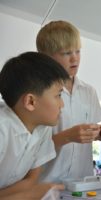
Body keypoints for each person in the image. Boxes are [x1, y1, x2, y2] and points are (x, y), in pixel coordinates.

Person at [36, 20, 101, 183]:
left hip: (82, 182)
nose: (75, 59)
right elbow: (31, 149)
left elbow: (90, 131)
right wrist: (67, 137)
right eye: (66, 53)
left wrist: (100, 133)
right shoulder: (37, 93)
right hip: (47, 185)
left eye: (78, 51)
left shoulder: (89, 92)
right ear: (46, 58)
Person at [0, 52, 69, 197]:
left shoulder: (42, 129)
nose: (62, 104)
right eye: (58, 95)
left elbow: (31, 180)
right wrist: (29, 195)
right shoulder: (3, 130)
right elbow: (30, 190)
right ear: (31, 102)